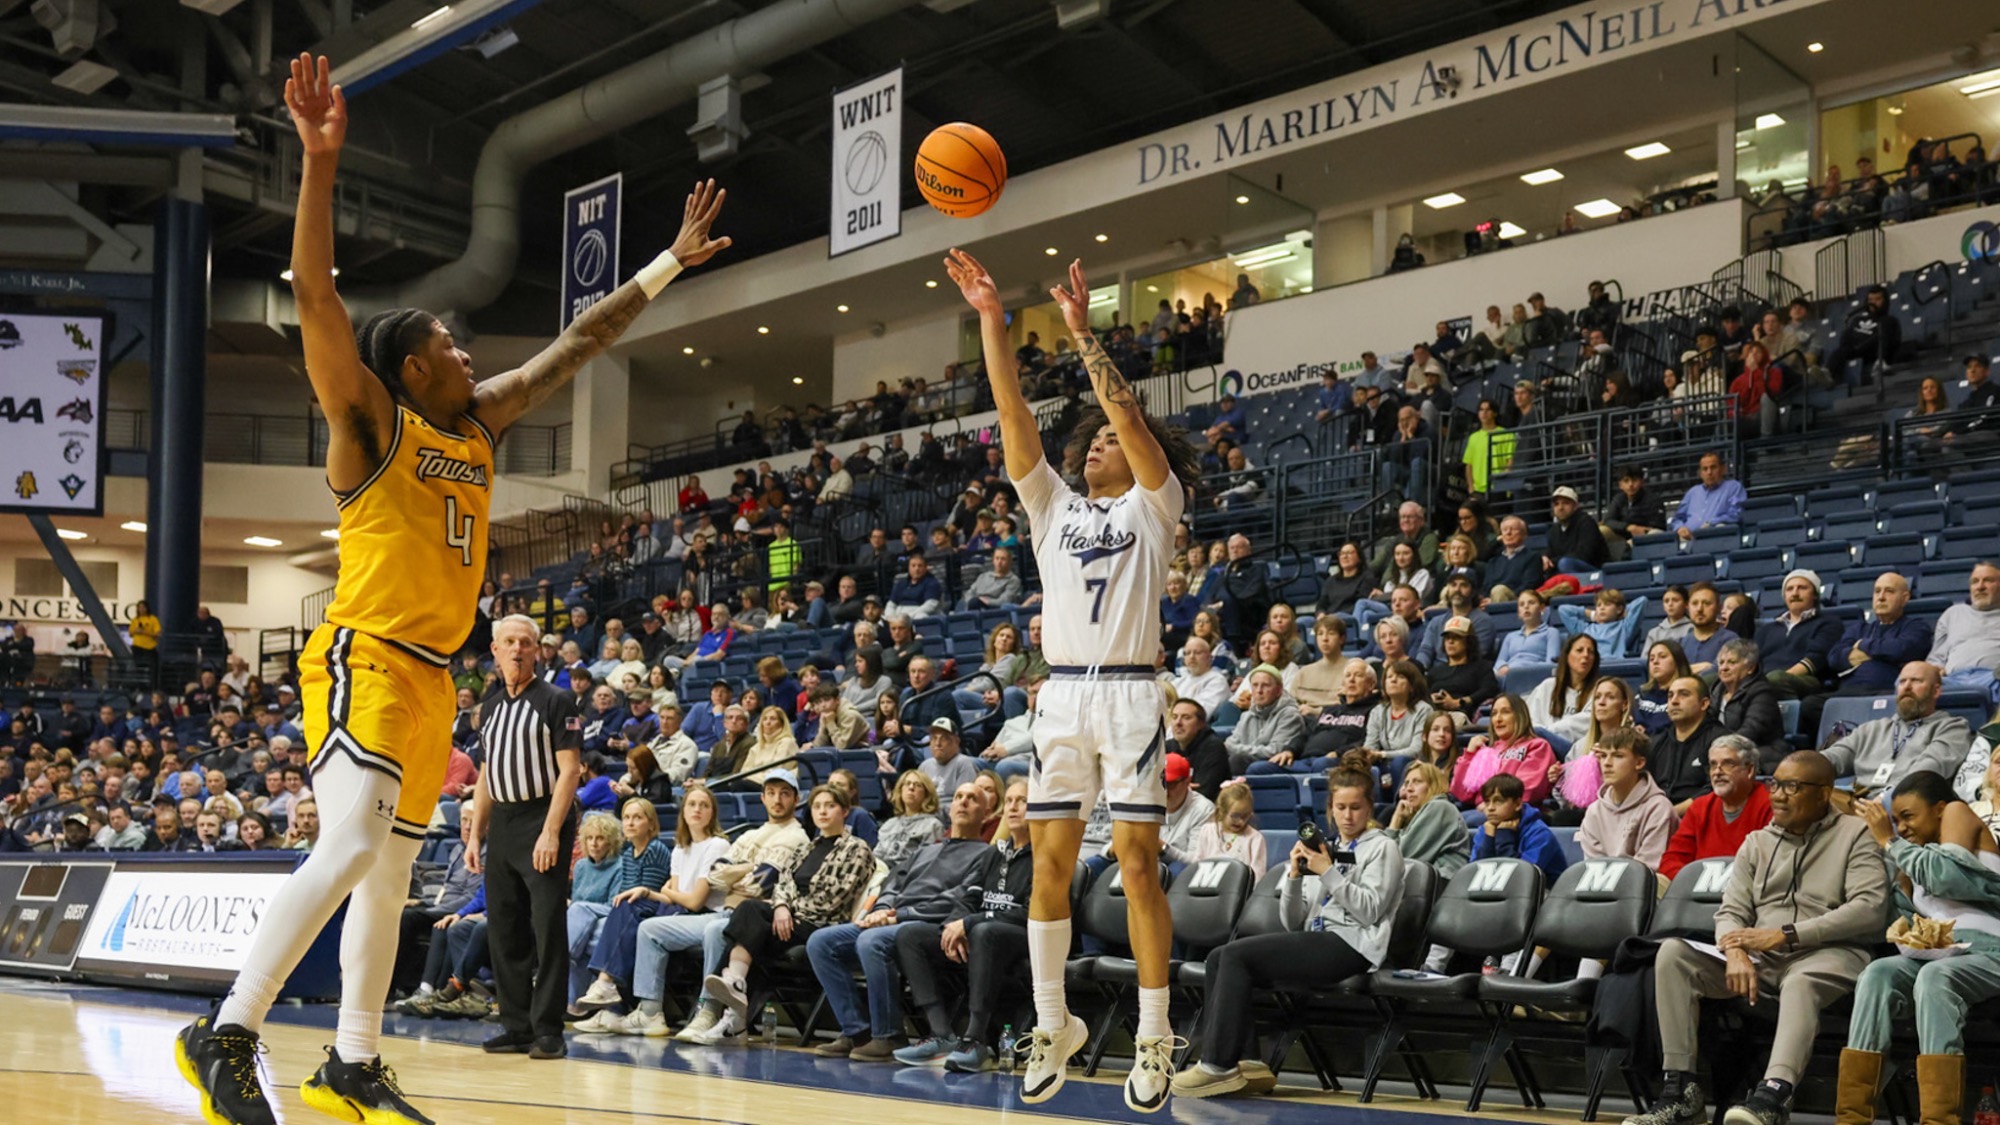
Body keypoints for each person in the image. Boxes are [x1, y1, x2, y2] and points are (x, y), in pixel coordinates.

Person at [178, 53, 729, 1125]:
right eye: (447, 342)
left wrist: (665, 261)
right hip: (366, 659)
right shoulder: (370, 425)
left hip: (435, 682)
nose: (467, 351)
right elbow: (318, 293)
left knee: (384, 880)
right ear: (407, 367)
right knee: (344, 852)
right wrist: (320, 162)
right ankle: (228, 1028)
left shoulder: (475, 424)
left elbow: (578, 341)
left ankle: (350, 1064)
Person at [951, 247, 1202, 1111]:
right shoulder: (1052, 507)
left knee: (1136, 866)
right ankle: (1054, 1019)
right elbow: (1010, 407)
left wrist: (1083, 335)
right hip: (1061, 695)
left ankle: (1155, 1031)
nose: (1098, 441)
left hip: (1131, 692)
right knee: (1046, 863)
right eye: (1089, 439)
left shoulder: (1153, 504)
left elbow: (1127, 412)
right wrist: (992, 316)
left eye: (1108, 439)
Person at [1626, 751, 1891, 1125]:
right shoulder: (1757, 841)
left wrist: (1786, 935)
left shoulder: (1855, 834)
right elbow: (1731, 911)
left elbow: (1869, 908)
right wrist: (1734, 951)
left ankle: (1773, 1097)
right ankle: (1681, 1090)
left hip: (1829, 953)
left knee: (1801, 981)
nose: (1778, 795)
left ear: (1824, 793)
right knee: (1673, 953)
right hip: (1761, 958)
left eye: (1792, 787)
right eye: (1775, 784)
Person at [1170, 765, 1404, 1099]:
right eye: (1340, 808)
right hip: (1318, 937)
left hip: (1355, 945)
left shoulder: (1383, 848)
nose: (1348, 816)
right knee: (1219, 956)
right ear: (1330, 809)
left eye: (1356, 807)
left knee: (1235, 955)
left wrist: (1328, 873)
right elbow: (1293, 922)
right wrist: (1294, 878)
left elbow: (1370, 910)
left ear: (1370, 807)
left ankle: (1217, 1065)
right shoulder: (1327, 847)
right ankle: (1248, 1061)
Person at [1836, 770, 2000, 1125]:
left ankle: (1939, 1119)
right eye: (1895, 821)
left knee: (1935, 977)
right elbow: (1907, 920)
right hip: (1949, 954)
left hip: (1992, 950)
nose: (1902, 827)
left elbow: (1947, 877)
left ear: (1939, 808)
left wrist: (1889, 841)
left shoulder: (1956, 812)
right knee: (1878, 973)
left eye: (1908, 816)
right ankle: (1852, 1116)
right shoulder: (1911, 860)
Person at [461, 615, 583, 1059]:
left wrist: (552, 832)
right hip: (505, 823)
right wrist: (476, 835)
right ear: (494, 650)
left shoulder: (558, 700)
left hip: (542, 816)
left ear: (537, 650)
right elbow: (488, 774)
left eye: (525, 643)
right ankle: (516, 1025)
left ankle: (548, 1029)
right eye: (509, 642)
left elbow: (570, 771)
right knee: (504, 928)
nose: (517, 649)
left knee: (547, 927)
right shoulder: (490, 708)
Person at [811, 780, 993, 1061]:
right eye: (958, 796)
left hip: (927, 926)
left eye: (972, 798)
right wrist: (881, 909)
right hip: (890, 918)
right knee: (821, 941)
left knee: (872, 940)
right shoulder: (927, 850)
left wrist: (898, 915)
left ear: (987, 812)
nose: (964, 802)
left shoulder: (986, 855)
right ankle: (856, 1032)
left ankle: (887, 1035)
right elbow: (893, 884)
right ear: (950, 805)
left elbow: (957, 899)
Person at [691, 784, 874, 1044]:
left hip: (820, 925)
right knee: (752, 924)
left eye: (830, 806)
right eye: (817, 806)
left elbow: (835, 898)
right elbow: (783, 885)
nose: (822, 812)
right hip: (788, 919)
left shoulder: (857, 849)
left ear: (844, 811)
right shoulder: (806, 848)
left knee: (751, 911)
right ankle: (735, 994)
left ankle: (732, 1010)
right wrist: (780, 907)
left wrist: (791, 912)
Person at [889, 776, 1035, 1073]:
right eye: (1009, 801)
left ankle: (975, 1039)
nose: (1013, 807)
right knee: (911, 935)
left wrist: (971, 922)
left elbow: (1029, 913)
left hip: (1024, 936)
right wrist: (951, 927)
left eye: (1022, 801)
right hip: (983, 931)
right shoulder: (995, 852)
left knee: (984, 931)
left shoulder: (1046, 855)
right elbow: (970, 896)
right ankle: (941, 1033)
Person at [570, 786, 730, 1036]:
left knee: (636, 923)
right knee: (629, 912)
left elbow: (695, 901)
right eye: (691, 804)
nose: (697, 809)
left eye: (704, 805)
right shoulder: (680, 848)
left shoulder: (717, 845)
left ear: (713, 812)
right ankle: (616, 1004)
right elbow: (673, 895)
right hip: (679, 913)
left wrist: (656, 892)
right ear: (683, 812)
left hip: (702, 915)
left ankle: (618, 997)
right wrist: (648, 891)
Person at [1820, 662, 1972, 800]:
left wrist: (1886, 798)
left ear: (1936, 691)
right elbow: (1833, 758)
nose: (1906, 687)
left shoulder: (1952, 728)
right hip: (1856, 803)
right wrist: (1803, 767)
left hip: (1904, 806)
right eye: (1902, 681)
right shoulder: (1872, 729)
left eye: (1916, 681)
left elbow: (1925, 773)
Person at [1657, 734, 1771, 880]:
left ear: (1749, 770)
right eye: (1713, 765)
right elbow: (1672, 859)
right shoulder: (1700, 807)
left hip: (1745, 893)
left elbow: (1768, 866)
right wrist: (1693, 884)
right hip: (1696, 892)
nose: (1717, 772)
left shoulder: (1770, 805)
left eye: (1728, 763)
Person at [1577, 728, 1678, 870]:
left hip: (1643, 888)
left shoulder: (1658, 808)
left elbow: (1648, 870)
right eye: (1603, 756)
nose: (1607, 763)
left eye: (1617, 756)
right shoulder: (1594, 811)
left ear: (1639, 763)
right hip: (1601, 888)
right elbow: (1594, 868)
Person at [1451, 695, 1560, 807]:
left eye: (1505, 712)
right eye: (1494, 714)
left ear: (1519, 716)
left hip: (1518, 813)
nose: (1498, 719)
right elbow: (1462, 794)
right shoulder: (1487, 751)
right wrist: (1469, 755)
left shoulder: (1537, 746)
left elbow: (1528, 791)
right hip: (1483, 811)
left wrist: (1492, 805)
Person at [1757, 571, 1845, 701]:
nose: (1795, 593)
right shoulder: (1767, 629)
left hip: (1807, 680)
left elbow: (1816, 659)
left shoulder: (1829, 623)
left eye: (1802, 588)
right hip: (1766, 681)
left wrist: (1765, 684)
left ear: (1815, 595)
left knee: (1775, 679)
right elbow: (1752, 661)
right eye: (1790, 589)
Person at [1469, 772, 1568, 883]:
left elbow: (1521, 878)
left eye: (1499, 801)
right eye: (1487, 802)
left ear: (1518, 804)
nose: (1490, 808)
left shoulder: (1539, 833)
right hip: (1498, 891)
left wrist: (1504, 836)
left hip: (1543, 892)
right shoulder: (1487, 829)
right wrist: (1489, 839)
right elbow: (1476, 873)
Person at [1926, 560, 2000, 695]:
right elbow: (1936, 658)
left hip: (1993, 679)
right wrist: (1936, 669)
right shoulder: (1952, 614)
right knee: (1908, 680)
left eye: (1988, 581)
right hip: (1953, 680)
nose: (1980, 587)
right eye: (1975, 581)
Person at [1385, 760, 1471, 876]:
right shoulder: (1421, 813)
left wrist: (1395, 821)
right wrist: (1397, 818)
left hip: (1442, 888)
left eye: (1417, 782)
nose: (1409, 789)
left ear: (1433, 785)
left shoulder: (1440, 807)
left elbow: (1400, 857)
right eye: (1406, 783)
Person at [1711, 639, 1787, 770]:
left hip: (1761, 753)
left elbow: (1751, 731)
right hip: (1725, 751)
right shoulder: (1715, 691)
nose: (1724, 668)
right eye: (1721, 662)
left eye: (1732, 662)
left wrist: (1720, 749)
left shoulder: (1762, 692)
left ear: (1750, 668)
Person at [1226, 665, 1307, 774]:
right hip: (1246, 762)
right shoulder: (1247, 715)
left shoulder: (1290, 715)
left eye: (1265, 685)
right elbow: (1229, 743)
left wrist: (1236, 749)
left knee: (1237, 759)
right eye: (1255, 685)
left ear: (1278, 690)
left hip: (1272, 767)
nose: (1259, 690)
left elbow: (1275, 750)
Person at [1187, 782, 1268, 876]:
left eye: (1245, 816)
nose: (1241, 821)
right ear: (1222, 811)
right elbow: (1197, 864)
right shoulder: (1207, 831)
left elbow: (1258, 875)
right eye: (1235, 816)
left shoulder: (1255, 838)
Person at [1156, 753, 1215, 875]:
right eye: (1161, 784)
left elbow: (1195, 861)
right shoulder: (1149, 802)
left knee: (1178, 868)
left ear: (1187, 781)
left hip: (1183, 873)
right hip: (1151, 865)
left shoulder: (1203, 810)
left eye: (1171, 784)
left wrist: (1163, 848)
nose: (1165, 791)